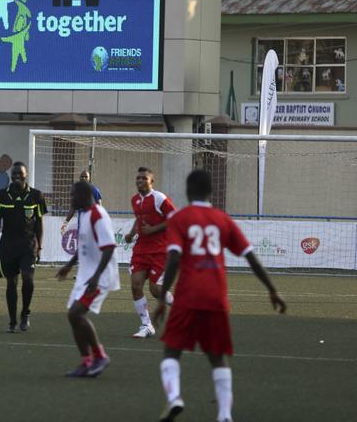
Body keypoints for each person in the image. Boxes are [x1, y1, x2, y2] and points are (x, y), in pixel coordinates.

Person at [153, 170, 286, 422]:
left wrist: (161, 299)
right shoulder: (222, 219)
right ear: (210, 192)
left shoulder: (180, 219)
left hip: (188, 296)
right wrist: (272, 290)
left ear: (187, 190)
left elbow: (173, 258)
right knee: (217, 357)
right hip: (216, 297)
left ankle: (174, 399)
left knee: (172, 352)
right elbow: (250, 256)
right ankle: (224, 415)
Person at [56, 181, 119, 378]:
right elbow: (83, 246)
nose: (71, 199)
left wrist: (96, 276)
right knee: (73, 316)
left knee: (76, 314)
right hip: (86, 275)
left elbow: (109, 247)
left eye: (73, 195)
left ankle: (100, 356)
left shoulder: (98, 215)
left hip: (99, 277)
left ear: (84, 195)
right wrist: (69, 265)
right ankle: (86, 361)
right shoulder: (86, 215)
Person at [0, 162, 47, 332]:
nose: (16, 176)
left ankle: (25, 314)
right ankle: (13, 322)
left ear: (25, 175)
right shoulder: (1, 195)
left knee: (28, 278)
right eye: (13, 173)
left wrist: (39, 245)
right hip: (8, 245)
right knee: (11, 283)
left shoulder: (36, 196)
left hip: (28, 245)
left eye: (19, 173)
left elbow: (40, 223)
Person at [125, 166, 175, 338]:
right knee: (135, 285)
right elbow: (139, 219)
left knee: (155, 290)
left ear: (151, 182)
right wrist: (132, 233)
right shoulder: (135, 200)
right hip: (141, 249)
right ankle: (147, 325)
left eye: (143, 178)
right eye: (138, 178)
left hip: (160, 249)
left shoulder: (159, 198)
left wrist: (153, 229)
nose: (139, 181)